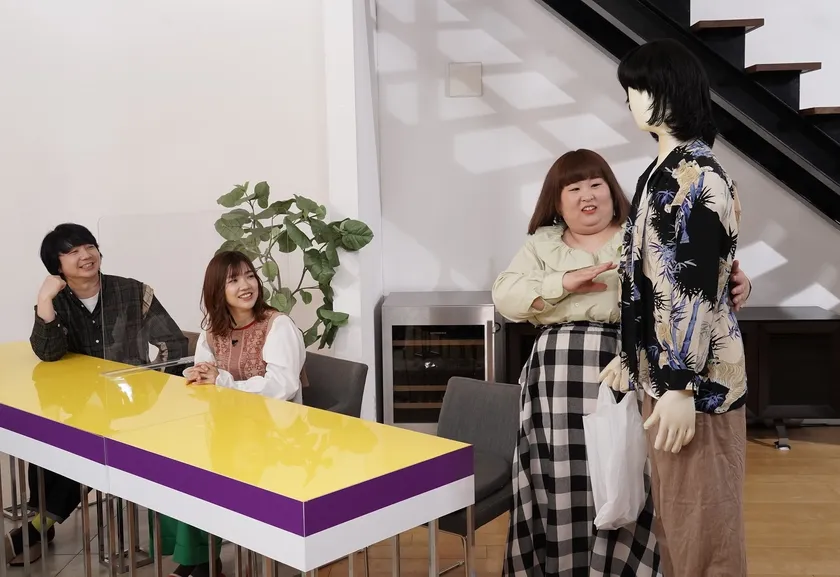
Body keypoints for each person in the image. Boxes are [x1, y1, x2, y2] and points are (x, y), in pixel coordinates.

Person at [492, 149, 752, 576]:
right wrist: (564, 283)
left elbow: (688, 281)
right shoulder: (541, 244)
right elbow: (506, 296)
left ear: (612, 192)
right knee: (560, 476)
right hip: (552, 381)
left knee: (625, 474)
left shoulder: (640, 232)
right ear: (557, 201)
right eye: (573, 188)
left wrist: (736, 282)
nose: (587, 196)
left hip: (626, 368)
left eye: (596, 184)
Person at [607, 38, 749, 576]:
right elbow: (654, 278)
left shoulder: (696, 176)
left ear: (667, 94)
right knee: (679, 521)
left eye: (636, 88)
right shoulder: (659, 171)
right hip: (666, 377)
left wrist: (682, 384)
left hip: (694, 385)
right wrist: (632, 355)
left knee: (704, 528)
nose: (629, 100)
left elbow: (691, 290)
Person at [4, 224, 188, 566]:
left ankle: (40, 526)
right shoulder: (56, 302)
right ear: (58, 266)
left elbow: (174, 345)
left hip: (133, 406)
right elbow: (48, 353)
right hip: (80, 404)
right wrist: (44, 300)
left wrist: (152, 390)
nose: (85, 255)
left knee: (87, 447)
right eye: (72, 252)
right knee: (49, 437)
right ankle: (42, 519)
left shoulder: (133, 291)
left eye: (89, 246)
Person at [153, 250, 306, 577]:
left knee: (205, 467)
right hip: (229, 427)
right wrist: (199, 374)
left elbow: (283, 386)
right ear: (217, 290)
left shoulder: (278, 326)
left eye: (250, 276)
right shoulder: (213, 330)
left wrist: (223, 381)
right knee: (173, 462)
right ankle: (199, 557)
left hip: (275, 433)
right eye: (233, 280)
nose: (245, 285)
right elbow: (204, 369)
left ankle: (199, 559)